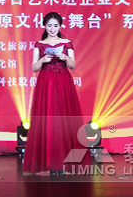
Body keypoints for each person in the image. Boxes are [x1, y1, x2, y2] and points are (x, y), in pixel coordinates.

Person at [23, 12, 83, 175]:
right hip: (46, 82)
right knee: (48, 118)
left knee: (63, 118)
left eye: (55, 25)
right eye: (49, 25)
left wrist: (65, 58)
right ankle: (49, 162)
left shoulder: (66, 43)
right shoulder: (40, 44)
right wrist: (42, 60)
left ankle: (65, 162)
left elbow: (73, 65)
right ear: (44, 26)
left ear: (60, 26)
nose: (52, 29)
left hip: (63, 82)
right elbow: (34, 68)